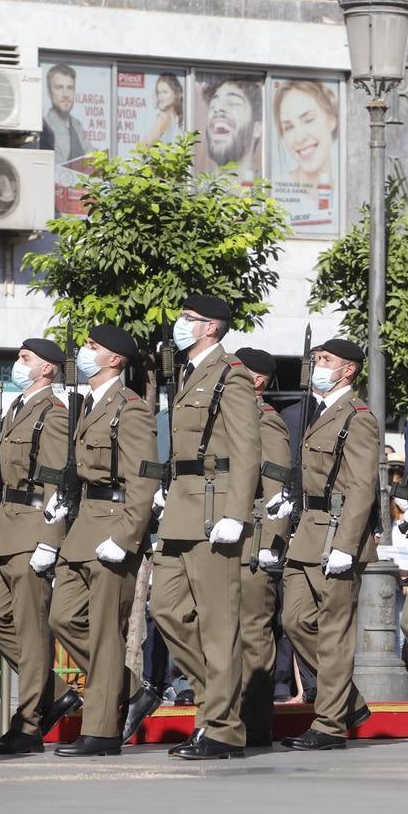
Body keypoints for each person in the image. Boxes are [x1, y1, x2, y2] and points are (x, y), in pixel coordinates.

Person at [149, 295, 262, 759]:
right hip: (182, 507)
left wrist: (237, 513)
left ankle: (223, 728)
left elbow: (247, 447)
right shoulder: (189, 374)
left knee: (219, 625)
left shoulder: (229, 373)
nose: (179, 325)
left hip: (214, 511)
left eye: (188, 320)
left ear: (210, 328)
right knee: (166, 607)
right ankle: (214, 698)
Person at [47, 325, 157, 757]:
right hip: (83, 526)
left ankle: (102, 731)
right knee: (63, 616)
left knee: (107, 633)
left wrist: (128, 534)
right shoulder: (89, 404)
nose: (83, 352)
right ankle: (131, 689)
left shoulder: (130, 408)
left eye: (92, 347)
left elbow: (142, 478)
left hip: (113, 525)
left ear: (114, 360)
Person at [0, 338, 80, 755]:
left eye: (26, 358)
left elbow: (57, 483)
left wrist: (51, 541)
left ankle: (30, 725)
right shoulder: (17, 408)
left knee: (33, 635)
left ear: (47, 369)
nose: (18, 364)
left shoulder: (52, 414)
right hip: (7, 529)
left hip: (34, 527)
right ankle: (55, 691)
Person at [276, 339, 379, 751]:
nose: (317, 365)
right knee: (294, 620)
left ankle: (331, 724)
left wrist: (347, 543)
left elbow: (361, 485)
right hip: (308, 529)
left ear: (348, 370)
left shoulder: (357, 417)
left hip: (337, 531)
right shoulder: (314, 413)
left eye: (326, 360)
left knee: (335, 632)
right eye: (316, 359)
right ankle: (348, 700)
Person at [234, 347, 290, 747]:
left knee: (253, 632)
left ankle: (255, 724)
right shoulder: (231, 418)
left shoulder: (265, 421)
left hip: (254, 541)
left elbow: (277, 486)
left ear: (256, 381)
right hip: (223, 536)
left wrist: (272, 540)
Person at [275, 81, 338, 186]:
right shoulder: (273, 191)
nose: (299, 138)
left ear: (331, 120)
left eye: (308, 120)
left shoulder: (347, 191)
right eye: (289, 127)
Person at [200, 77, 263, 176]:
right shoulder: (190, 188)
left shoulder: (267, 189)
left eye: (233, 103)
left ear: (257, 128)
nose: (218, 108)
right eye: (213, 105)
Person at [39, 63, 87, 164]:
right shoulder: (44, 128)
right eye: (59, 87)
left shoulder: (77, 125)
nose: (65, 95)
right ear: (49, 93)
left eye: (70, 88)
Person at [142, 73, 185, 146]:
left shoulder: (173, 117)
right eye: (159, 92)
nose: (161, 96)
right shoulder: (165, 116)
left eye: (165, 92)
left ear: (175, 93)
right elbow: (144, 146)